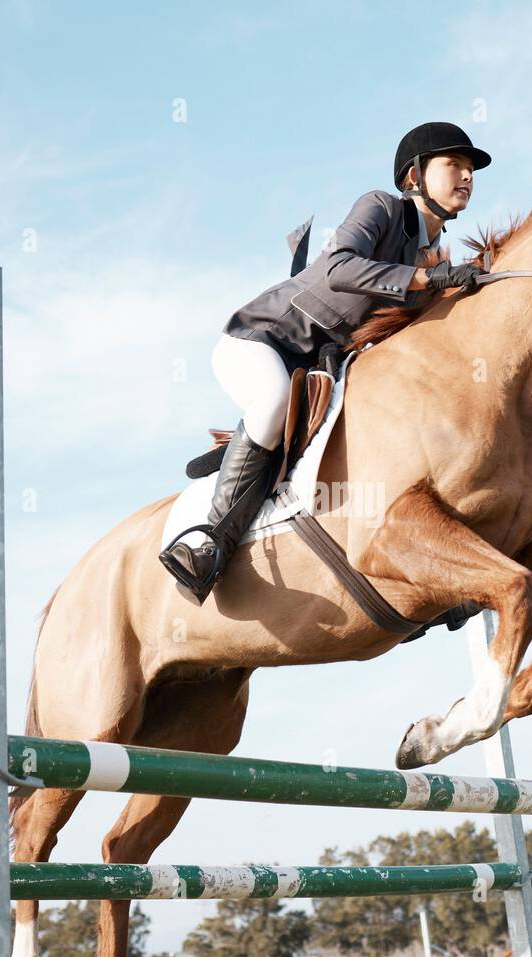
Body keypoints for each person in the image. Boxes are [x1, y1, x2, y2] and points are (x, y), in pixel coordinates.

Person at [159, 122, 492, 605]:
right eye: (454, 165)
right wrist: (427, 278)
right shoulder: (381, 206)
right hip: (263, 339)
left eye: (470, 170)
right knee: (272, 399)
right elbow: (339, 268)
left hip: (322, 367)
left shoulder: (433, 255)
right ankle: (208, 542)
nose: (467, 176)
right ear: (415, 177)